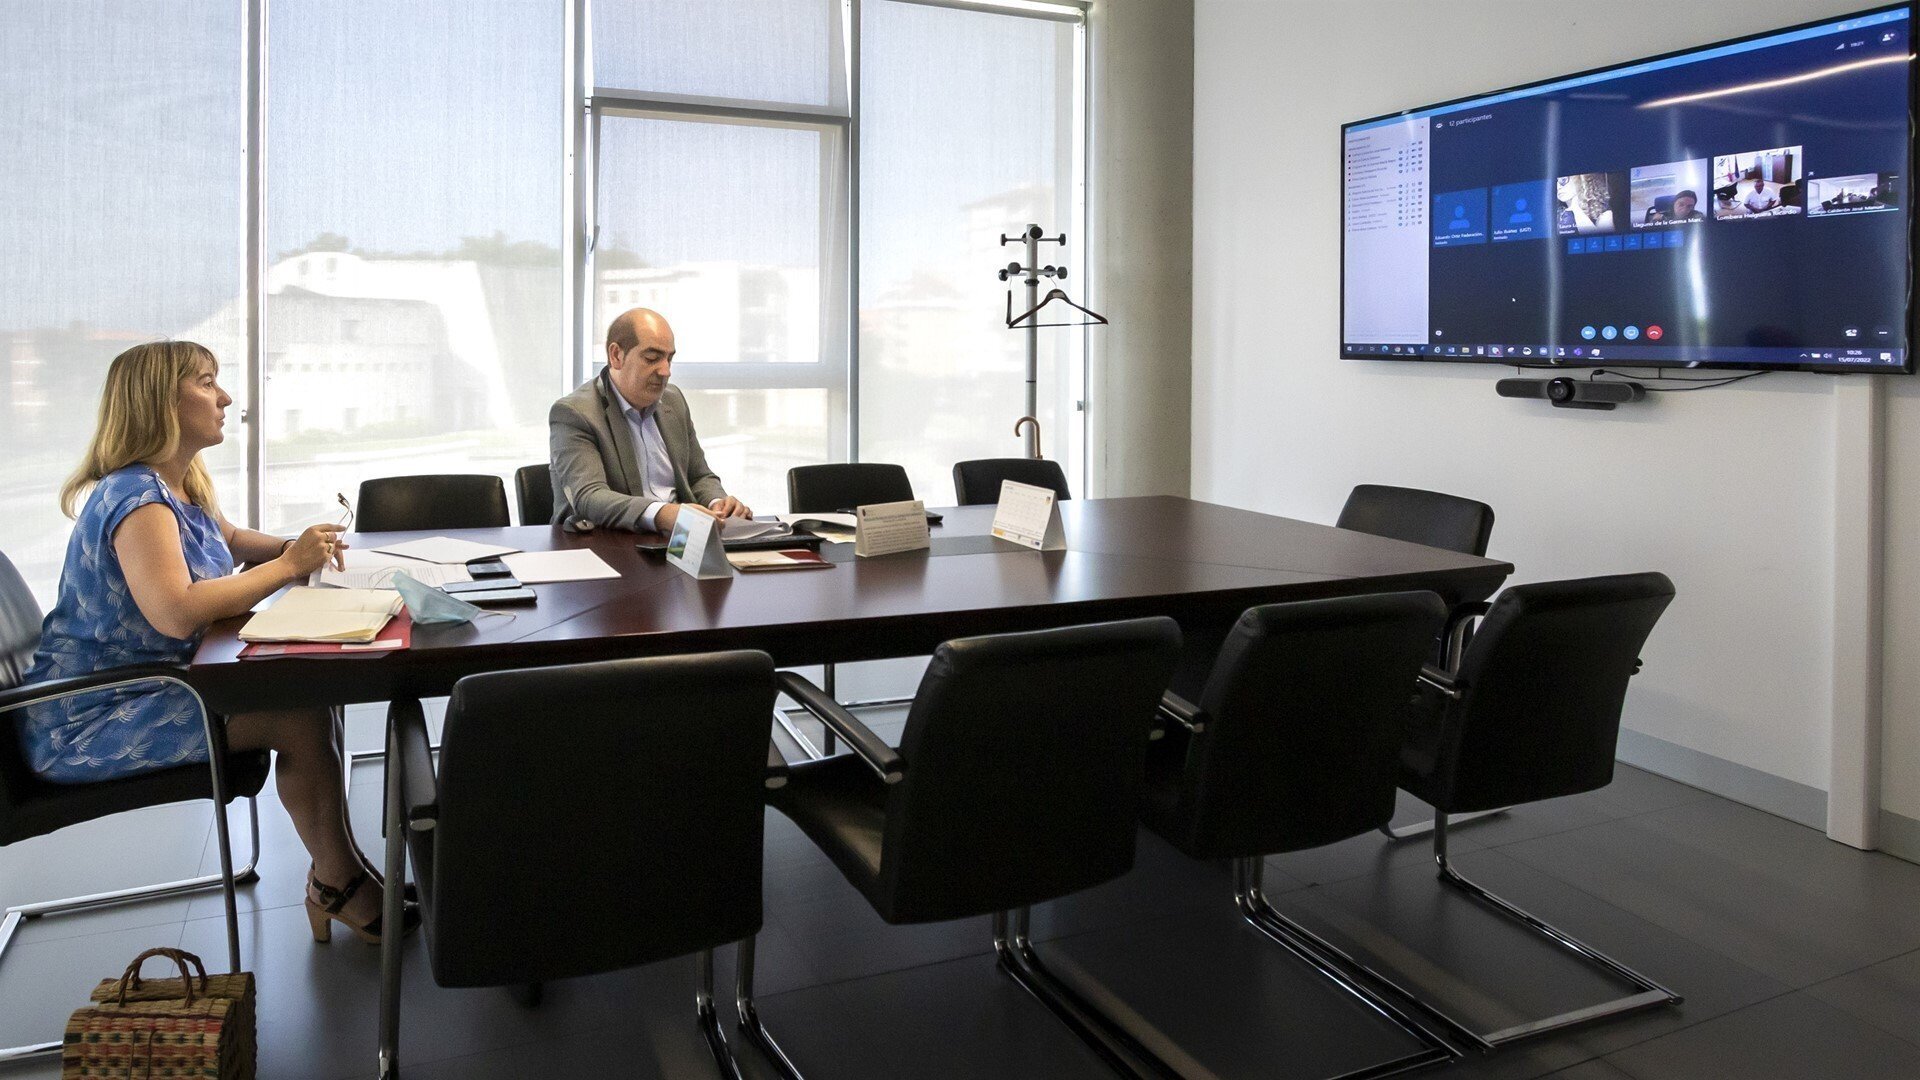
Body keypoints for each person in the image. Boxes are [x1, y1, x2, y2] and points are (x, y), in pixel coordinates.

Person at [17, 341, 413, 945]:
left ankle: (342, 870)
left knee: (313, 691)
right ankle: (336, 883)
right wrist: (289, 566)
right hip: (89, 716)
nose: (225, 397)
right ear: (160, 402)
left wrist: (295, 547)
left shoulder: (180, 486)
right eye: (206, 383)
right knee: (298, 714)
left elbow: (234, 541)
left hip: (152, 688)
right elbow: (177, 613)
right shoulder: (134, 499)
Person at [549, 307, 752, 533]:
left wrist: (718, 503)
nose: (665, 371)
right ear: (616, 355)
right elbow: (590, 497)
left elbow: (699, 476)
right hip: (610, 541)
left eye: (669, 359)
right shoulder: (574, 413)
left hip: (678, 540)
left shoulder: (673, 401)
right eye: (652, 358)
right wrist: (662, 514)